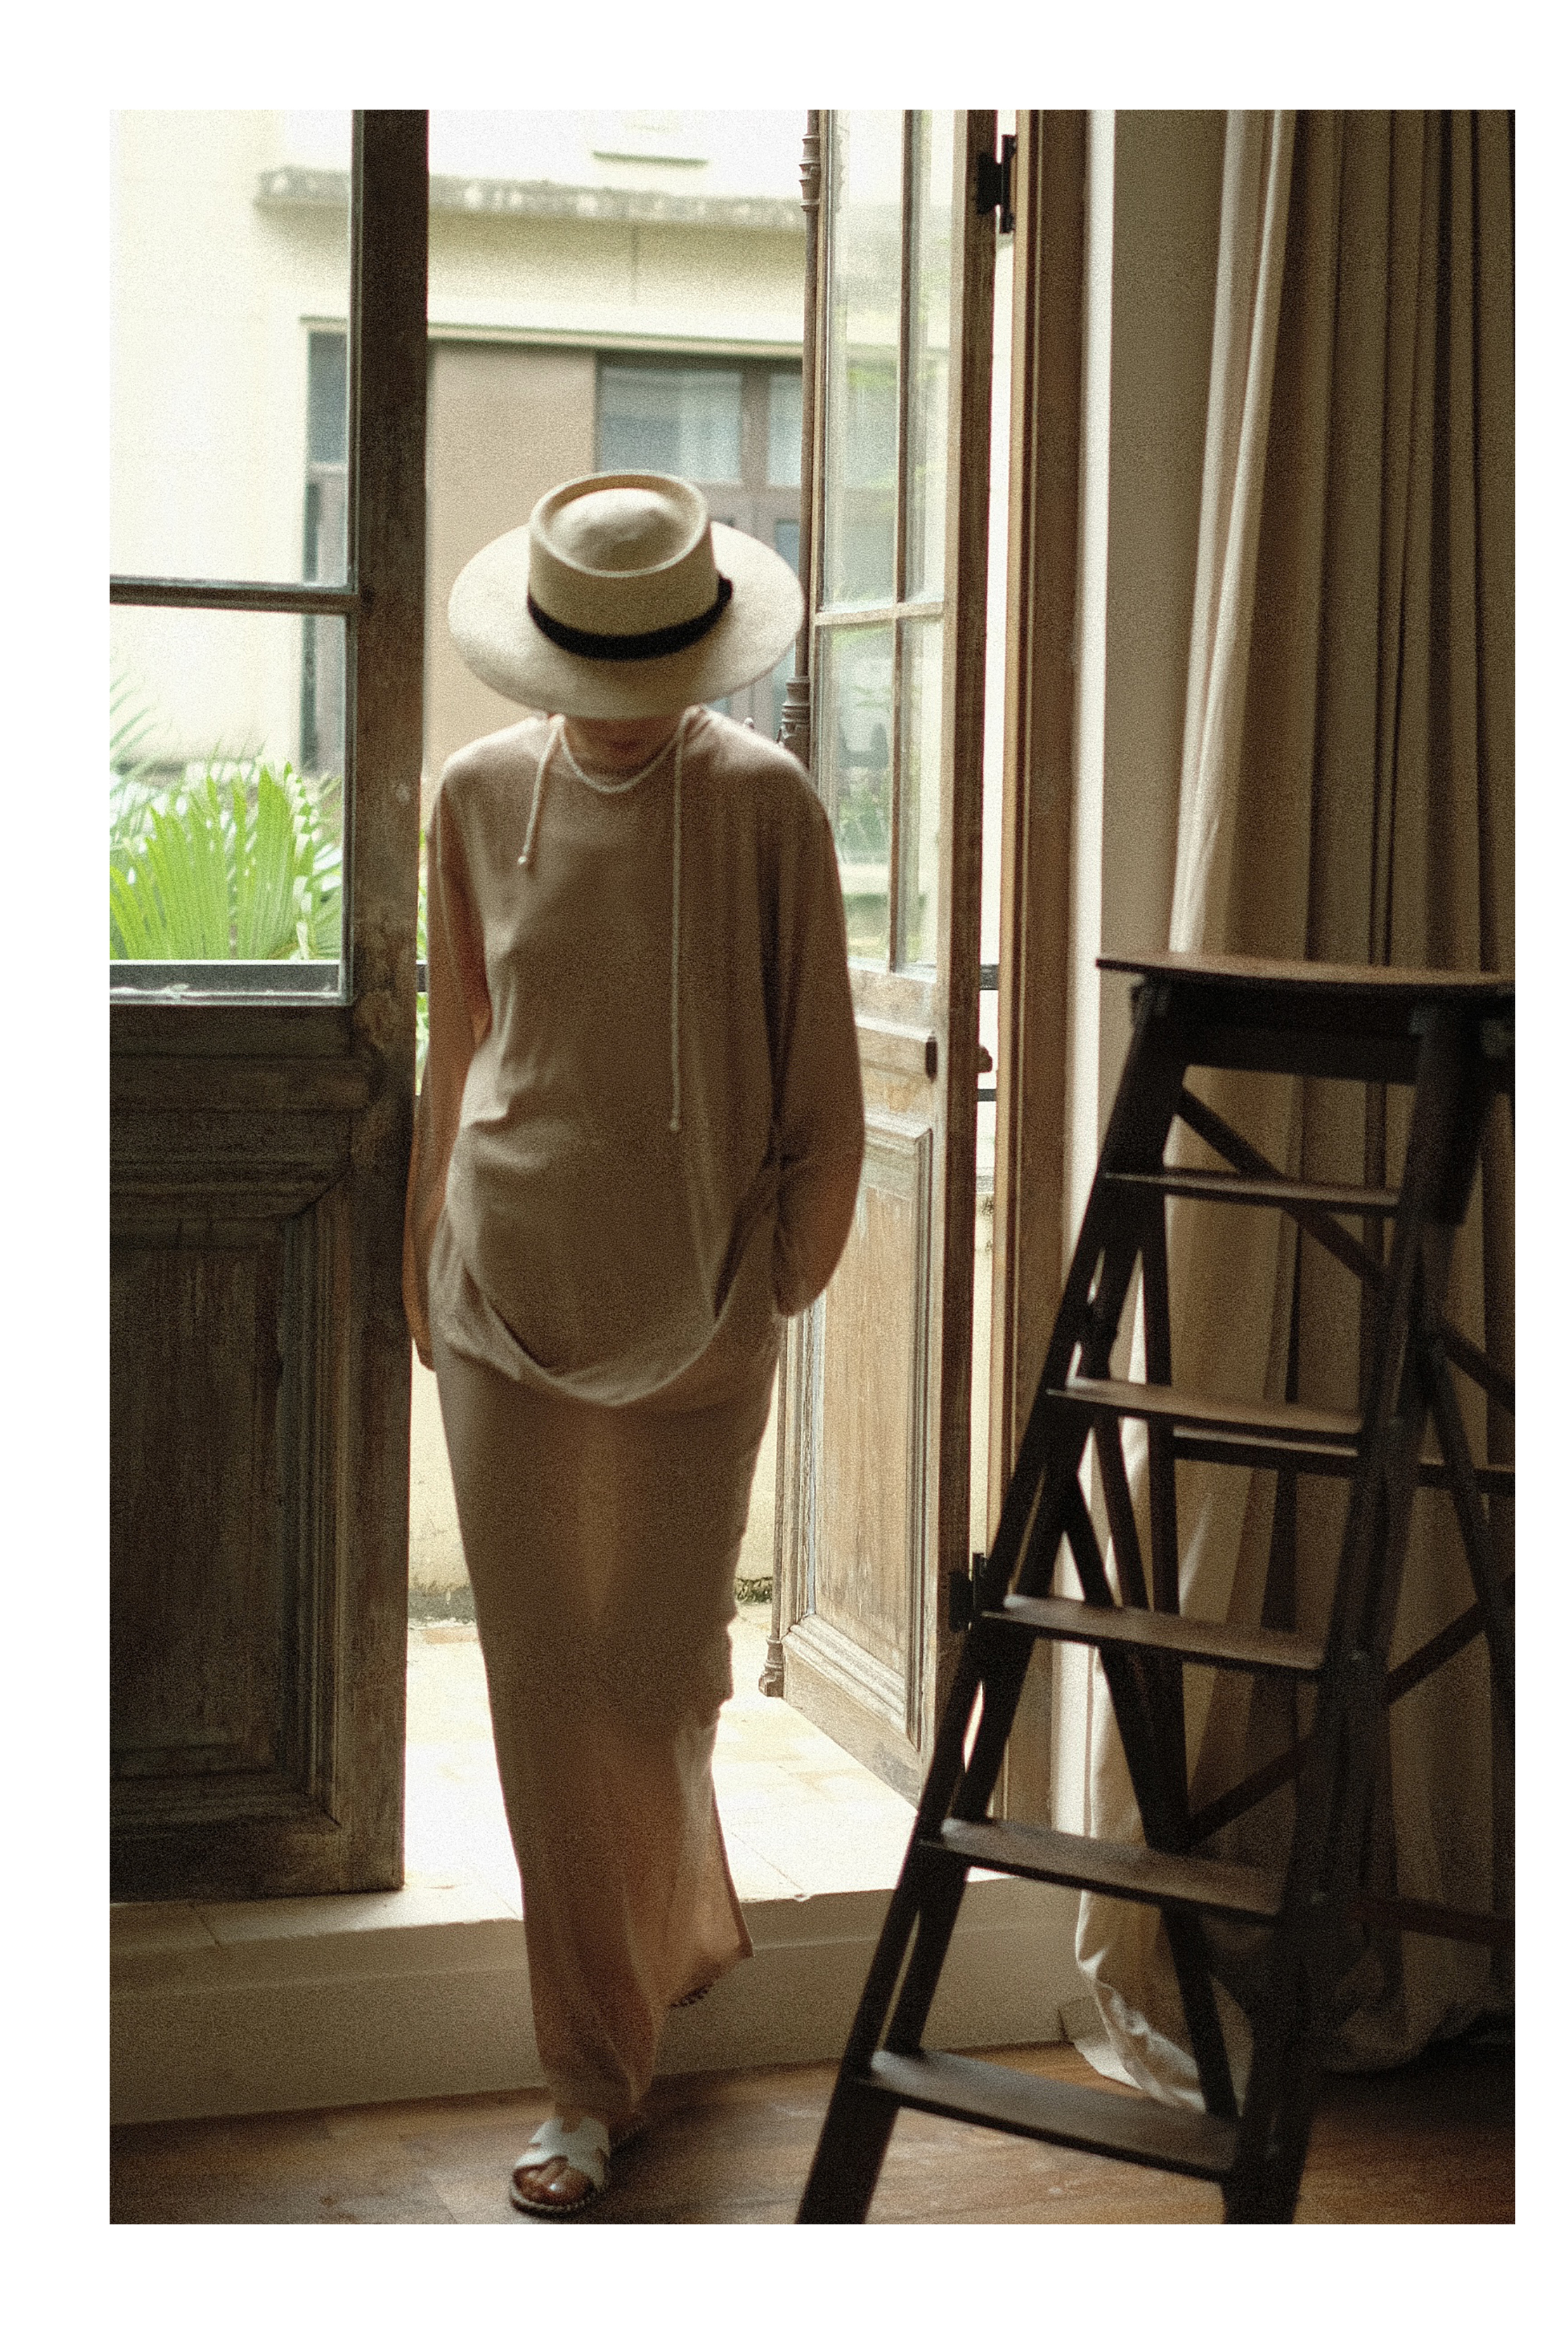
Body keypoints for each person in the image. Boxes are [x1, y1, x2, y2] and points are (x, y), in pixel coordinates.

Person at [403, 472, 865, 2217]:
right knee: (542, 1693)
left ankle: (665, 1935)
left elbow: (821, 1081)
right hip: (500, 1294)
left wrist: (775, 1281)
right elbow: (460, 1046)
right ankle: (586, 2084)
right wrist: (417, 1252)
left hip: (701, 1309)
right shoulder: (473, 794)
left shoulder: (765, 806)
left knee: (657, 1679)